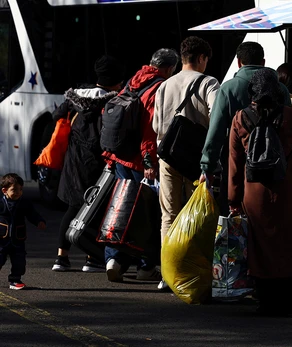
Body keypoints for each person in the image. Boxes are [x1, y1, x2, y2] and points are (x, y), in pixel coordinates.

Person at [228, 68, 292, 316]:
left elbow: (235, 164)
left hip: (253, 191)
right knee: (288, 244)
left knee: (260, 245)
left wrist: (233, 200)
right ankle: (289, 301)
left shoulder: (240, 118)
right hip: (287, 189)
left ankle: (265, 300)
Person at [102, 48, 180, 283]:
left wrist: (109, 155)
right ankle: (146, 266)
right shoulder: (158, 87)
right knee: (145, 215)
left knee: (119, 209)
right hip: (138, 161)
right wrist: (149, 160)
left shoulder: (133, 81)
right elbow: (150, 127)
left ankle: (112, 259)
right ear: (169, 68)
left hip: (119, 156)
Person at [152, 36, 220, 290]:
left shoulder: (164, 85)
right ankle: (191, 271)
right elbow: (217, 118)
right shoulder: (208, 83)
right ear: (201, 58)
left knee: (168, 215)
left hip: (167, 156)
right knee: (196, 215)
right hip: (196, 160)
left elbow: (157, 125)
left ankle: (167, 275)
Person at [199, 41, 291, 215]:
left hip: (237, 166)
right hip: (277, 168)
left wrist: (207, 167)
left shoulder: (228, 88)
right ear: (263, 62)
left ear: (239, 62)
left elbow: (216, 132)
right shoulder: (281, 89)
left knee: (238, 223)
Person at [51, 55, 124, 272]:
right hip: (100, 163)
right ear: (115, 80)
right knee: (97, 210)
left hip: (74, 161)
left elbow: (56, 115)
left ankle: (61, 258)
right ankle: (92, 258)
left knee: (72, 208)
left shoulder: (76, 96)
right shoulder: (114, 101)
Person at [1, 173, 46, 289]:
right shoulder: (1, 203)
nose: (18, 192)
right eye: (14, 190)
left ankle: (15, 280)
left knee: (19, 261)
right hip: (1, 239)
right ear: (4, 190)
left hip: (18, 239)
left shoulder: (24, 203)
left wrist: (39, 221)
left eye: (20, 189)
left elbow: (32, 214)